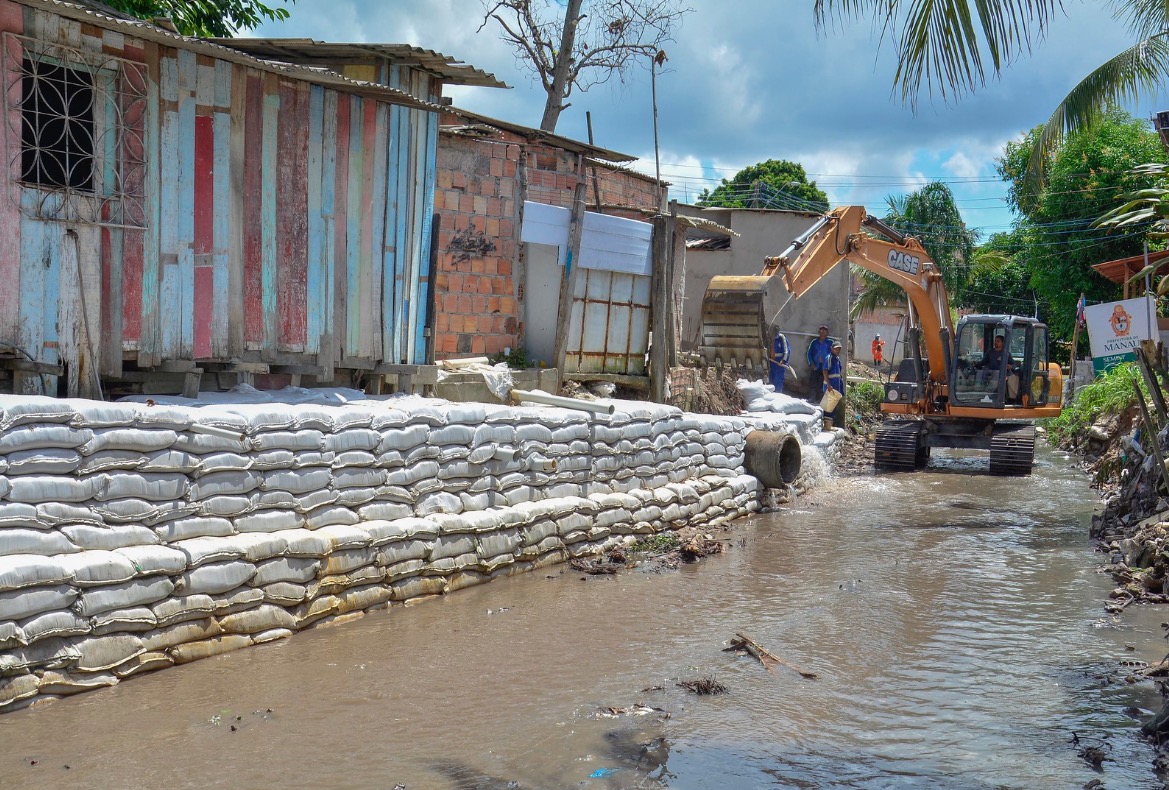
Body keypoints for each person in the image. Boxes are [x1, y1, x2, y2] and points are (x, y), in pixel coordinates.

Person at [806, 325, 834, 400]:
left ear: (827, 333)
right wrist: (811, 363)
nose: (823, 332)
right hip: (816, 366)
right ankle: (812, 397)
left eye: (824, 330)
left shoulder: (830, 342)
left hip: (826, 366)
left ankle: (821, 399)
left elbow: (833, 354)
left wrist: (831, 364)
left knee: (824, 383)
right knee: (813, 382)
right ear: (819, 332)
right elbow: (809, 353)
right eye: (821, 330)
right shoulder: (814, 342)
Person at [823, 341, 846, 427]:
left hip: (836, 386)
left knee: (833, 406)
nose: (838, 350)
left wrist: (841, 388)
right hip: (830, 386)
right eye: (836, 349)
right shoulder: (829, 358)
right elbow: (825, 371)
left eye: (839, 349)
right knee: (828, 407)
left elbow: (839, 375)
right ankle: (827, 425)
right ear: (832, 349)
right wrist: (828, 385)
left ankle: (829, 425)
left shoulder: (837, 359)